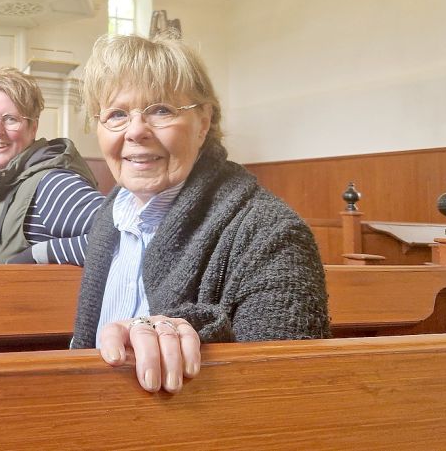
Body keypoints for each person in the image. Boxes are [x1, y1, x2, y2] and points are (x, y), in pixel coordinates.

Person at [70, 33, 330, 394]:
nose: (135, 131)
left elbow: (285, 389)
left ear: (204, 122)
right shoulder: (110, 215)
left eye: (161, 110)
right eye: (116, 114)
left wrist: (190, 333)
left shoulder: (271, 233)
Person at [0, 67, 105, 265]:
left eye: (11, 119)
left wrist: (40, 254)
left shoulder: (53, 184)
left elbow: (120, 238)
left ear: (33, 127)